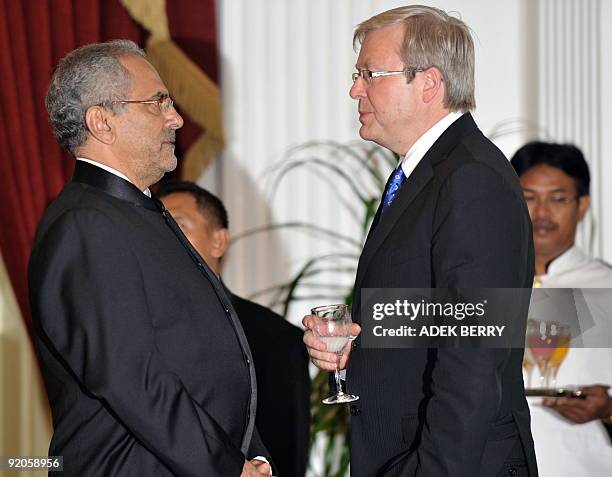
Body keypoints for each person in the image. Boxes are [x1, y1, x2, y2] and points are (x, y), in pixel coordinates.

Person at [303, 6, 537, 476]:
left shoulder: (471, 178)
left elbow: (474, 351)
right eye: (357, 74)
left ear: (429, 83)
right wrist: (362, 340)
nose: (354, 89)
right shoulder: (430, 174)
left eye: (370, 74)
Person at [29, 40, 272, 476]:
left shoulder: (140, 212)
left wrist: (250, 455)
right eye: (157, 102)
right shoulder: (86, 225)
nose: (176, 118)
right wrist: (226, 467)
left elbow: (206, 358)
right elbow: (132, 378)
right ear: (102, 122)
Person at [157, 180, 311, 477]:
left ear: (219, 241)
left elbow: (286, 454)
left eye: (178, 224)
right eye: (159, 227)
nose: (166, 237)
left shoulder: (274, 337)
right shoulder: (140, 324)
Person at [511, 141, 612, 475]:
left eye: (557, 199)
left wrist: (608, 408)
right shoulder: (476, 288)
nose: (541, 213)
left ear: (582, 206)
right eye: (528, 197)